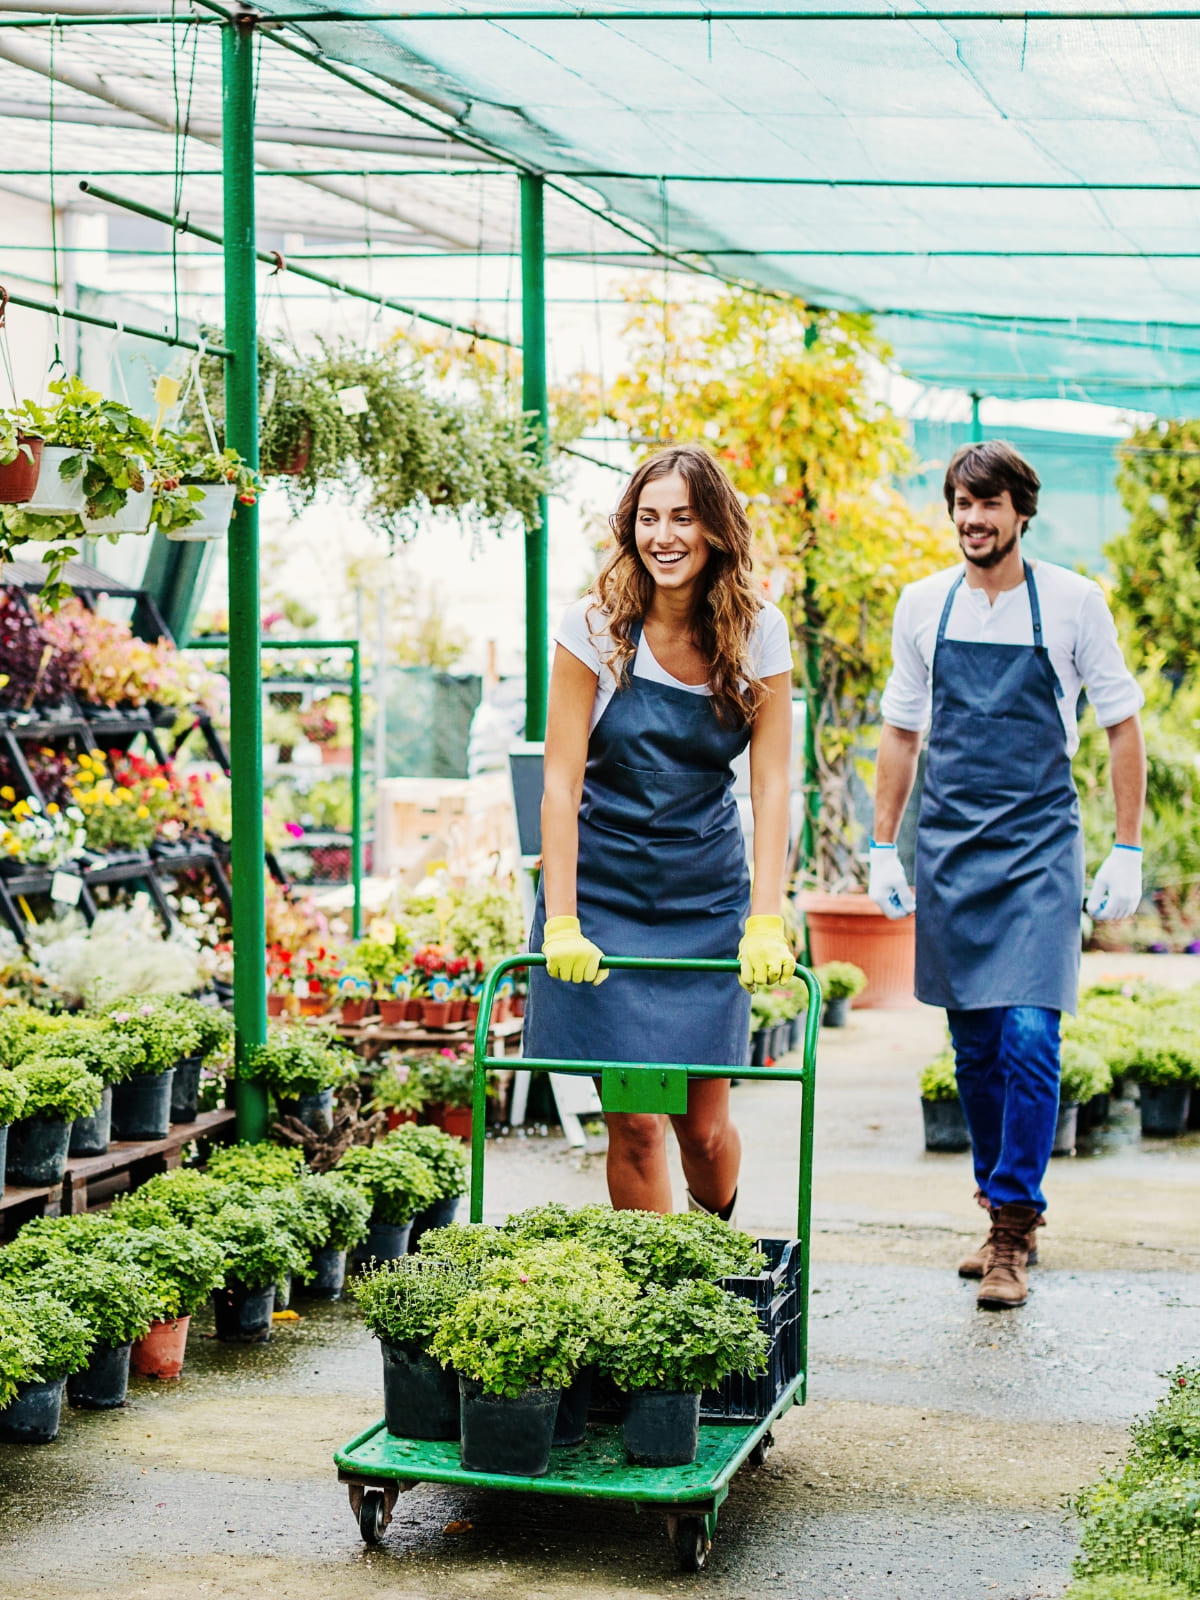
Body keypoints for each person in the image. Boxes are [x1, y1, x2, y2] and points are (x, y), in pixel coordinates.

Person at [869, 440, 1146, 1310]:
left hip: (1037, 845)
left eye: (988, 505)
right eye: (960, 503)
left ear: (1021, 512)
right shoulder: (922, 605)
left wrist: (1127, 846)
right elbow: (902, 733)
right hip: (951, 846)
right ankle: (997, 1202)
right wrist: (883, 845)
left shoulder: (1072, 603)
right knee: (975, 1049)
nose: (972, 521)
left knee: (1029, 1032)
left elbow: (1122, 722)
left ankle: (1014, 1229)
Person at [523, 444, 796, 1218]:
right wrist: (564, 918)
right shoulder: (595, 627)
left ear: (714, 529)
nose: (663, 535)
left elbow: (772, 782)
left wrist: (765, 919)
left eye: (682, 517)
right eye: (648, 518)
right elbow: (559, 780)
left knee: (701, 1130)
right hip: (605, 894)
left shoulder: (757, 633)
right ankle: (661, 1296)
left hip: (703, 896)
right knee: (636, 1125)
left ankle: (715, 1252)